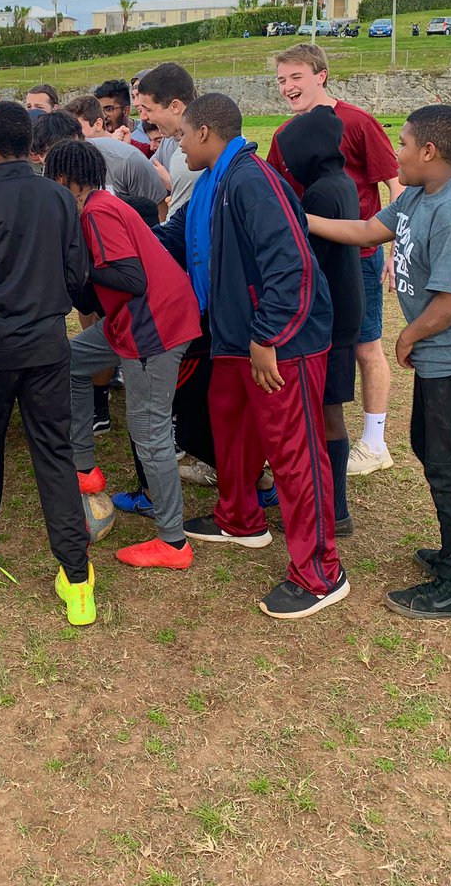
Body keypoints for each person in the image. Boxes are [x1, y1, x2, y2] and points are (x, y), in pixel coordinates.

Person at [309, 106, 451, 618]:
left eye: (402, 142)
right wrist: (302, 218)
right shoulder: (420, 193)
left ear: (429, 152)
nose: (395, 152)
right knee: (433, 447)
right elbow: (369, 232)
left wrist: (408, 336)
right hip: (444, 354)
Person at [179, 93, 349, 620]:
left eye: (182, 133)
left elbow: (291, 263)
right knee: (229, 420)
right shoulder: (220, 179)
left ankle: (321, 572)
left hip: (280, 342)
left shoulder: (252, 179)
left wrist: (268, 336)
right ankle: (240, 518)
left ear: (206, 132)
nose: (178, 144)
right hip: (235, 335)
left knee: (295, 451)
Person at [0, 101, 95, 625]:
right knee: (54, 454)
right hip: (49, 346)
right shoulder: (61, 198)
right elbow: (78, 276)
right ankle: (78, 580)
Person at [45, 140, 201, 570]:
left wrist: (76, 264)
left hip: (154, 327)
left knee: (149, 434)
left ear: (63, 180)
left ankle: (173, 542)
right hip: (131, 322)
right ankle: (84, 467)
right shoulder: (96, 205)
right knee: (73, 359)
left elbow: (129, 277)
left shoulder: (97, 212)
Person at [267, 44, 402, 478]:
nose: (288, 87)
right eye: (282, 80)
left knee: (365, 346)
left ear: (321, 75)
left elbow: (395, 187)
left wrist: (393, 249)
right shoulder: (285, 136)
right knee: (319, 355)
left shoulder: (358, 121)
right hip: (309, 262)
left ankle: (375, 441)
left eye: (296, 77)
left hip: (358, 255)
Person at [274, 107, 365, 537]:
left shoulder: (320, 195)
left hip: (329, 318)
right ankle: (334, 505)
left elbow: (309, 262)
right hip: (345, 310)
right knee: (329, 411)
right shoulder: (338, 183)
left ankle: (335, 509)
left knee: (325, 414)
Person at [60, 96, 169, 215]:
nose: (72, 138)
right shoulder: (68, 162)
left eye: (78, 130)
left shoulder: (127, 159)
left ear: (98, 124)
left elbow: (158, 211)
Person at [135, 62, 204, 218]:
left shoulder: (188, 158)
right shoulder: (170, 137)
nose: (143, 117)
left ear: (175, 107)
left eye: (149, 110)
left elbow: (175, 232)